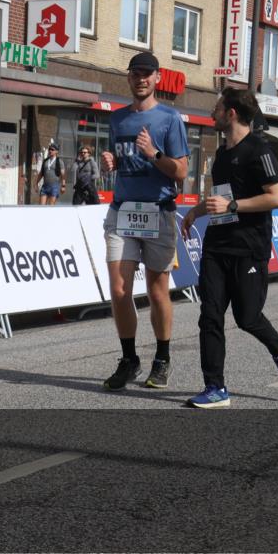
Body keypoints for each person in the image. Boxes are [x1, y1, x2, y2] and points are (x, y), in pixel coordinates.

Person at [180, 88, 278, 408]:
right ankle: (215, 388)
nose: (213, 113)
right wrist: (196, 212)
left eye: (217, 107)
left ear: (231, 113)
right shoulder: (221, 154)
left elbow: (277, 197)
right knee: (210, 315)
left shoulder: (259, 150)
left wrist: (232, 205)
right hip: (217, 246)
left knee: (247, 317)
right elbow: (220, 199)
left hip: (249, 248)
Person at [99, 52, 189, 391]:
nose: (140, 79)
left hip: (158, 211)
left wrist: (154, 153)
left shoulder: (169, 118)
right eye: (135, 73)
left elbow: (181, 172)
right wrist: (110, 162)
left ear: (157, 78)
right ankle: (129, 359)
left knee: (156, 290)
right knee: (119, 290)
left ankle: (162, 358)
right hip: (122, 210)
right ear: (129, 78)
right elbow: (118, 161)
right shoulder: (118, 120)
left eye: (146, 74)